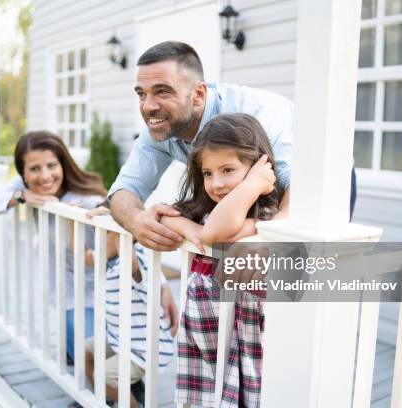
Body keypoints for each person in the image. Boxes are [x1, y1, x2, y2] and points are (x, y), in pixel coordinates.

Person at [0, 130, 179, 364]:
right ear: (24, 174)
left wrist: (162, 285)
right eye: (34, 169)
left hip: (104, 293)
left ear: (63, 164)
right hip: (66, 293)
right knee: (81, 358)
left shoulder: (85, 202)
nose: (45, 176)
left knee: (102, 361)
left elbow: (127, 241)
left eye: (51, 165)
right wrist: (20, 195)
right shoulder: (26, 188)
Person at [108, 41, 293, 252]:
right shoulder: (161, 126)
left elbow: (297, 189)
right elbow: (125, 189)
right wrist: (136, 220)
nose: (148, 106)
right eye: (141, 94)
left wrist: (265, 238)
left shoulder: (255, 115)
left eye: (163, 91)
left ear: (199, 94)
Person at [160, 113, 278, 407]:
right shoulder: (206, 211)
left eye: (228, 169)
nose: (216, 183)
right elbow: (163, 214)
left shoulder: (263, 215)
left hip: (245, 330)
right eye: (208, 173)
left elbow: (215, 233)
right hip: (205, 330)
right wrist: (189, 227)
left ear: (257, 169)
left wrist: (251, 187)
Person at [84, 205, 174, 408]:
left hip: (144, 348)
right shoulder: (111, 260)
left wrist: (118, 220)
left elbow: (130, 262)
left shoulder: (139, 258)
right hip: (122, 338)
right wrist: (77, 217)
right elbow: (83, 254)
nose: (102, 239)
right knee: (86, 351)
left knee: (105, 374)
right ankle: (107, 398)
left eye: (108, 233)